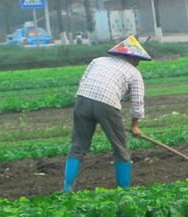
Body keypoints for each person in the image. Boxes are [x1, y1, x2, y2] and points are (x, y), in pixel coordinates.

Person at [62, 35, 151, 193]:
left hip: (82, 101)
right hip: (107, 104)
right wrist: (135, 126)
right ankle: (124, 191)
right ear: (132, 58)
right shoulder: (134, 73)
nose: (138, 63)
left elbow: (83, 81)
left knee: (77, 147)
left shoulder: (98, 61)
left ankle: (67, 189)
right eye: (138, 59)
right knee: (120, 149)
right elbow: (137, 103)